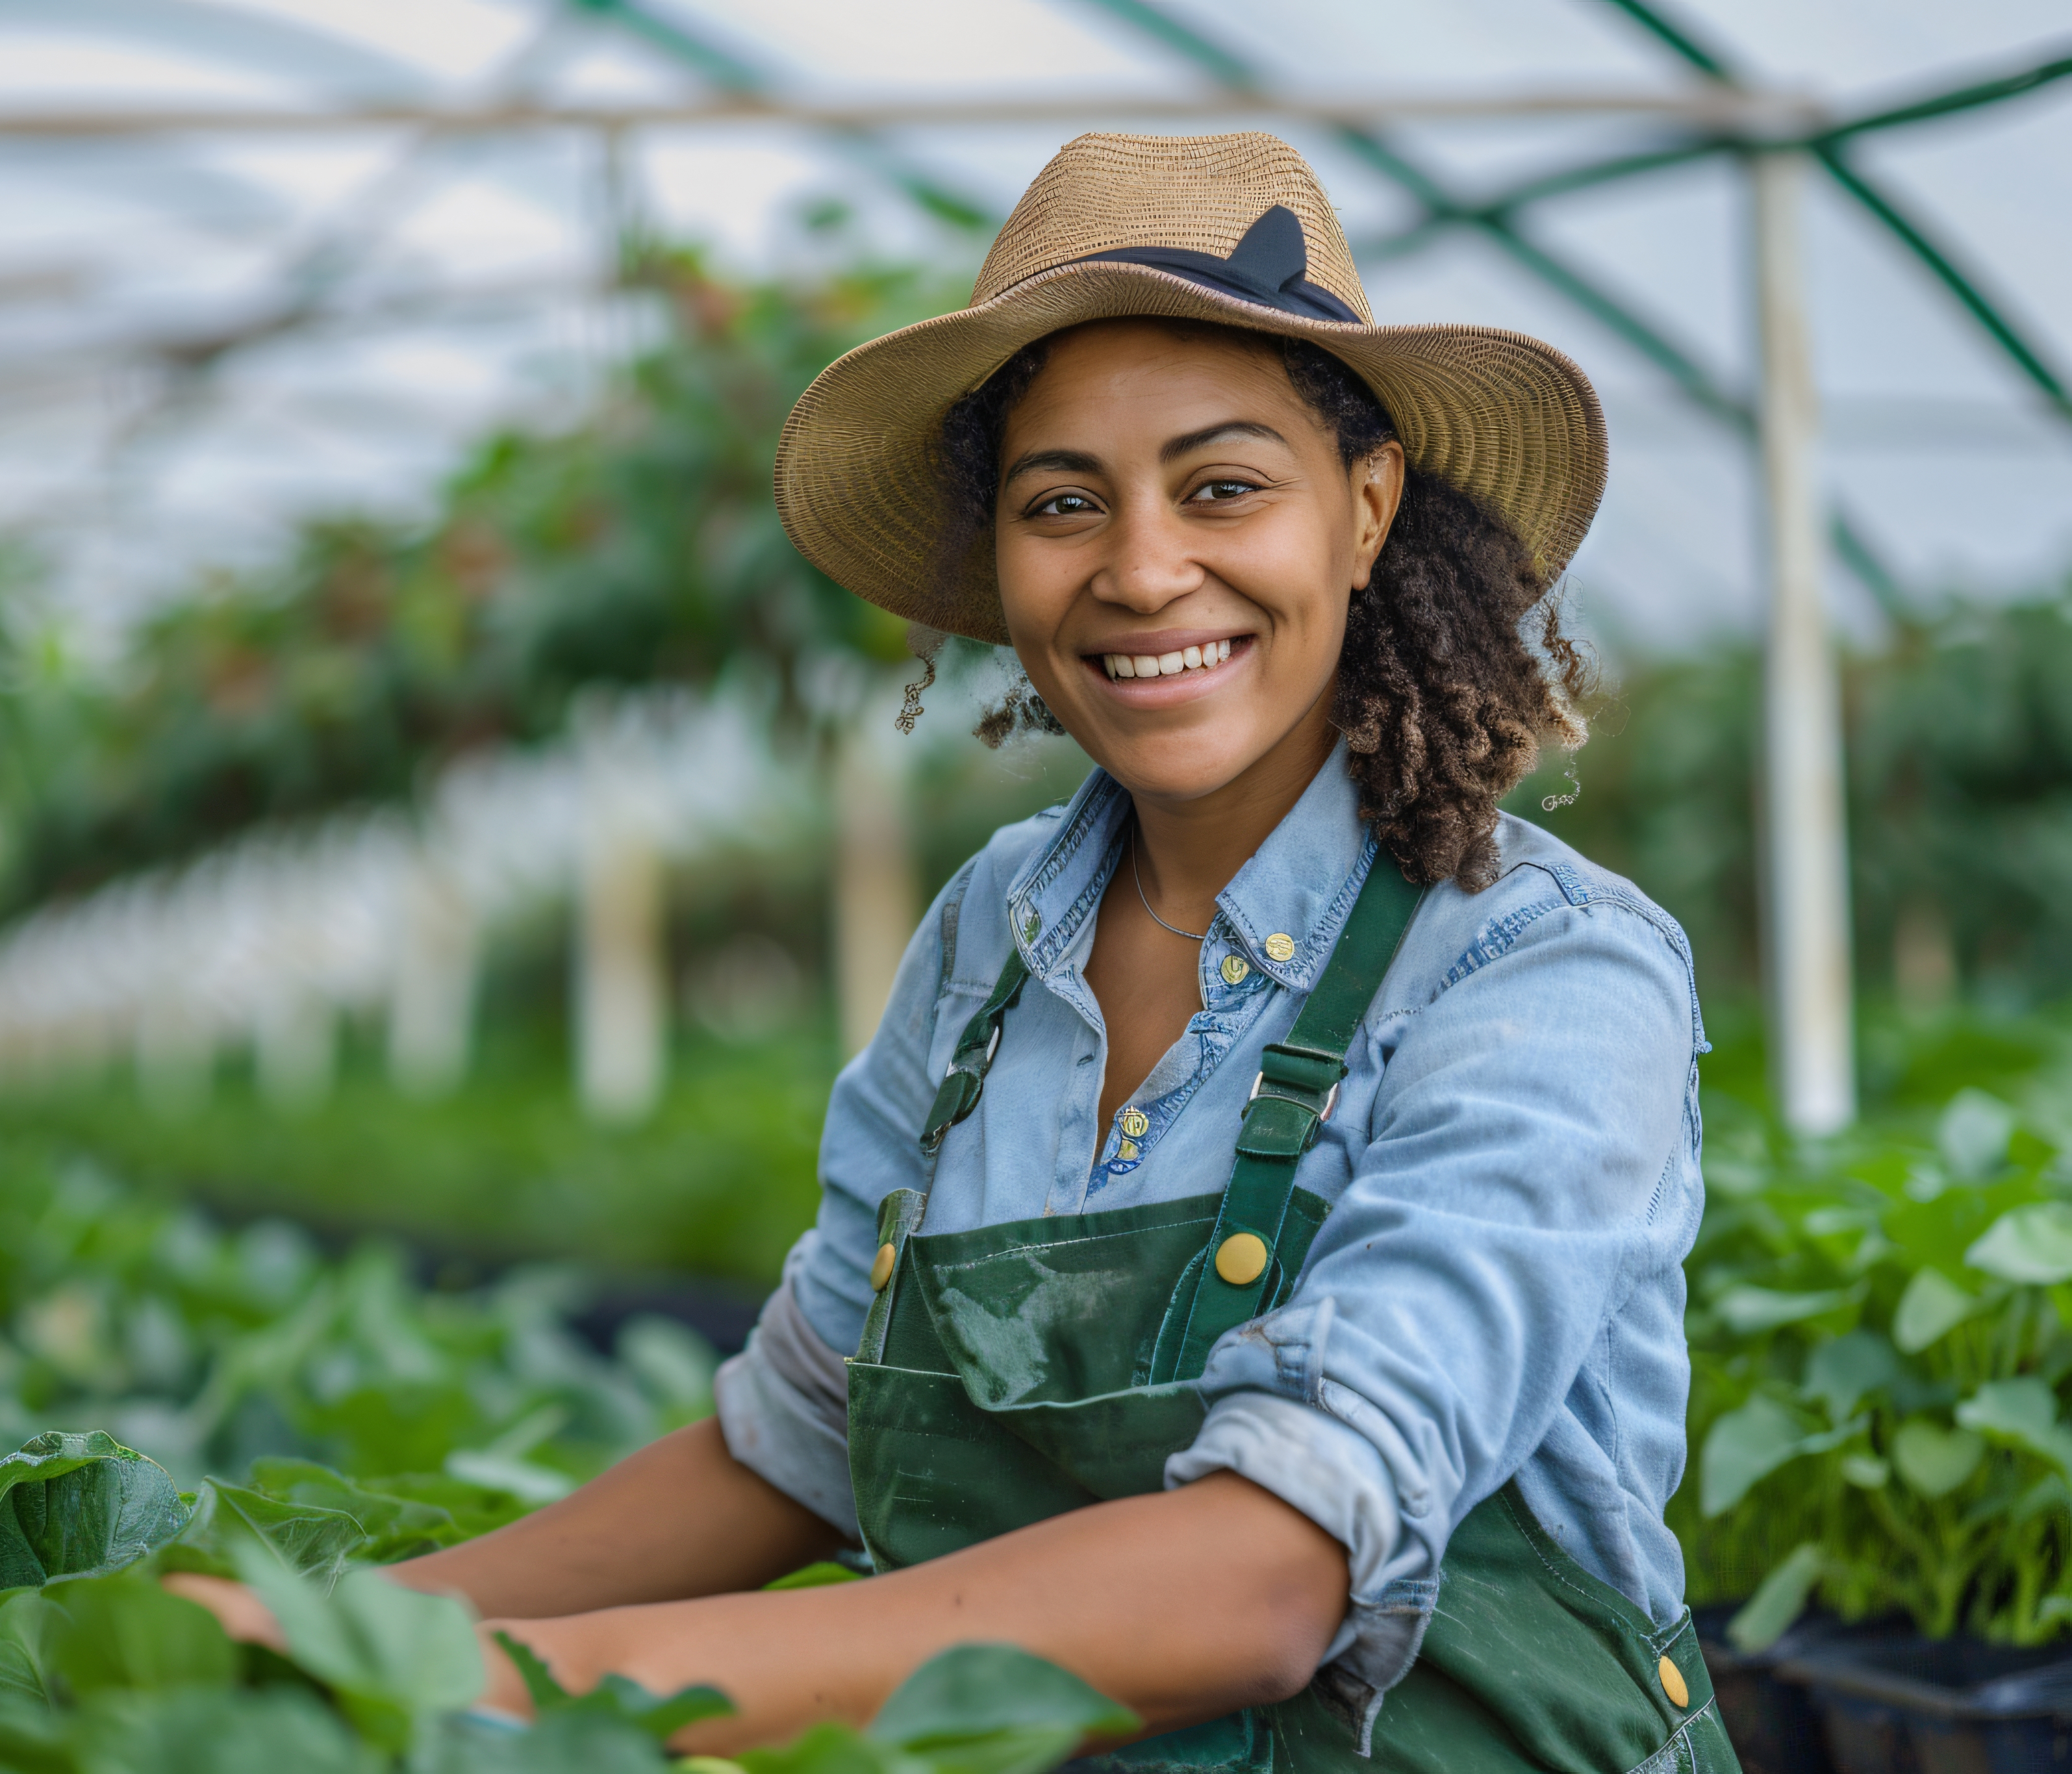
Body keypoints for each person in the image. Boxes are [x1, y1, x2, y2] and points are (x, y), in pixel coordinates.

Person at [175, 131, 1726, 1773]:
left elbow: (1270, 1575)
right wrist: (340, 1635)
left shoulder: (1543, 973)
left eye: (1221, 487)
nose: (1138, 570)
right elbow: (797, 1439)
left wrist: (523, 1689)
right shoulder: (993, 935)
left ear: (1362, 508)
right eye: (1063, 503)